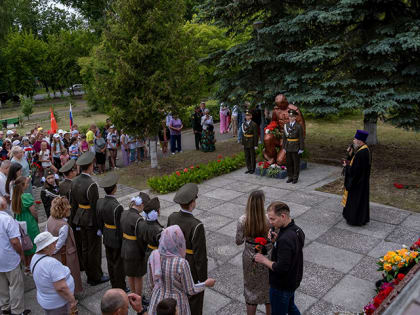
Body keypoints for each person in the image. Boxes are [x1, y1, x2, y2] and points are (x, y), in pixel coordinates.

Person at [147, 225, 215, 315]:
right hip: (177, 303)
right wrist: (206, 283)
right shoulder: (181, 263)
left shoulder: (154, 255)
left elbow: (151, 283)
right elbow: (190, 290)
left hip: (158, 300)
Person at [254, 202, 305, 315]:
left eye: (272, 219)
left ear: (283, 216)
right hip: (293, 280)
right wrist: (276, 241)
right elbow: (293, 250)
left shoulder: (285, 239)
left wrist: (263, 260)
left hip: (281, 286)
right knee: (290, 307)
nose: (270, 222)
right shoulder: (297, 230)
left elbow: (281, 268)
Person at [167, 183, 207, 315]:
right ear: (192, 203)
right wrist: (203, 279)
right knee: (194, 297)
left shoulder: (172, 217)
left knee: (178, 291)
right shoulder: (196, 225)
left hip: (174, 259)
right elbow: (200, 257)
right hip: (190, 264)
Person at [71, 151, 109, 286]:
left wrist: (74, 221)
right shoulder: (91, 184)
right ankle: (95, 276)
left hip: (80, 218)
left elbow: (73, 203)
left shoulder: (74, 181)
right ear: (90, 166)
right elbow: (95, 207)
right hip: (90, 221)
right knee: (94, 250)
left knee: (85, 248)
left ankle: (89, 273)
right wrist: (100, 225)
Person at [236, 190, 271, 315]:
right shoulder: (269, 219)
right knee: (269, 288)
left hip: (250, 257)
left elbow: (238, 241)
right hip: (268, 255)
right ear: (263, 203)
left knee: (250, 288)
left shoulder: (243, 220)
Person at [30, 232, 77, 315]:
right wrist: (72, 300)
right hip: (59, 305)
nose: (55, 244)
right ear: (46, 248)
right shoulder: (51, 263)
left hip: (48, 301)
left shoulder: (34, 258)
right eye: (53, 243)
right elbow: (61, 288)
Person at [46, 197, 83, 294]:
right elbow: (60, 244)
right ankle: (71, 293)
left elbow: (47, 234)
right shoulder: (63, 226)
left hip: (54, 254)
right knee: (70, 275)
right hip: (65, 255)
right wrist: (53, 251)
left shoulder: (50, 219)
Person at [96, 173, 126, 290]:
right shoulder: (117, 206)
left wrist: (103, 231)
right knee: (118, 263)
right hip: (116, 237)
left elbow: (99, 221)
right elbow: (120, 227)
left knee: (110, 261)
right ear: (115, 189)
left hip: (106, 234)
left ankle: (114, 283)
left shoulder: (100, 202)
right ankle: (120, 286)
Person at [0, 196, 28, 315]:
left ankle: (5, 307)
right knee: (15, 285)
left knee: (2, 285)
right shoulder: (6, 219)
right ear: (3, 206)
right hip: (9, 258)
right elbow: (15, 241)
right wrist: (21, 253)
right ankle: (17, 311)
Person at [120, 192, 150, 298]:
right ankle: (138, 297)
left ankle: (132, 294)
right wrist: (144, 252)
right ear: (141, 205)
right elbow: (141, 239)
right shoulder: (138, 219)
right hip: (135, 250)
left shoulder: (123, 213)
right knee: (138, 276)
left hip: (125, 247)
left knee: (130, 273)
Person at [342, 129, 371, 226]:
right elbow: (357, 165)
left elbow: (355, 171)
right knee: (360, 201)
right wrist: (350, 155)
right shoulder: (364, 149)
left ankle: (354, 220)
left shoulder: (362, 153)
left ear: (360, 141)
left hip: (358, 183)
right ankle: (361, 218)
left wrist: (346, 166)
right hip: (361, 181)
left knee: (356, 201)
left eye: (355, 139)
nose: (353, 141)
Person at [12, 176, 40, 274]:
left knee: (25, 243)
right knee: (32, 243)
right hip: (29, 222)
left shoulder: (15, 197)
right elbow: (33, 211)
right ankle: (33, 267)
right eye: (26, 183)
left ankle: (27, 267)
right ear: (23, 186)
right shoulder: (26, 196)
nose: (28, 185)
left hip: (20, 221)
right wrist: (37, 219)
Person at [282, 109, 304, 184]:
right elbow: (284, 137)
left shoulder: (298, 126)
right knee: (289, 163)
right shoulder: (286, 125)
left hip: (295, 147)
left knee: (296, 163)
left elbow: (301, 138)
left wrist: (301, 148)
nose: (291, 118)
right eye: (290, 116)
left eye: (292, 117)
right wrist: (284, 147)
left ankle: (295, 178)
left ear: (295, 117)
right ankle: (290, 177)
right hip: (288, 146)